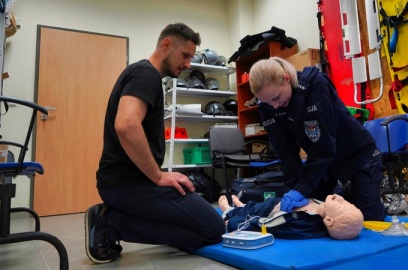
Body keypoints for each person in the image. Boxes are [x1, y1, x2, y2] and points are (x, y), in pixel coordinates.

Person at [84, 23, 225, 264]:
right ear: (166, 45)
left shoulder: (146, 76)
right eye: (185, 55)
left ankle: (115, 217)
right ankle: (110, 224)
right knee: (212, 229)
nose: (189, 64)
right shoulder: (146, 74)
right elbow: (126, 125)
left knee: (199, 220)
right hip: (127, 185)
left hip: (127, 183)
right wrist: (158, 176)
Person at [248, 56, 386, 222]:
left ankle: (358, 199)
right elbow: (286, 152)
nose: (274, 106)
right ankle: (347, 196)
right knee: (314, 216)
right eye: (267, 102)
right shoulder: (267, 104)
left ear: (286, 79)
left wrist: (302, 188)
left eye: (276, 98)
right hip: (327, 163)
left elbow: (324, 147)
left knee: (369, 221)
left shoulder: (315, 86)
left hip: (358, 154)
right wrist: (295, 189)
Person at [218, 194, 364, 240]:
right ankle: (241, 205)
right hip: (279, 202)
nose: (340, 198)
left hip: (268, 212)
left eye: (341, 205)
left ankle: (229, 209)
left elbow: (270, 225)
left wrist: (242, 223)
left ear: (329, 220)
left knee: (251, 210)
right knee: (253, 205)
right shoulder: (323, 207)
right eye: (346, 202)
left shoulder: (304, 223)